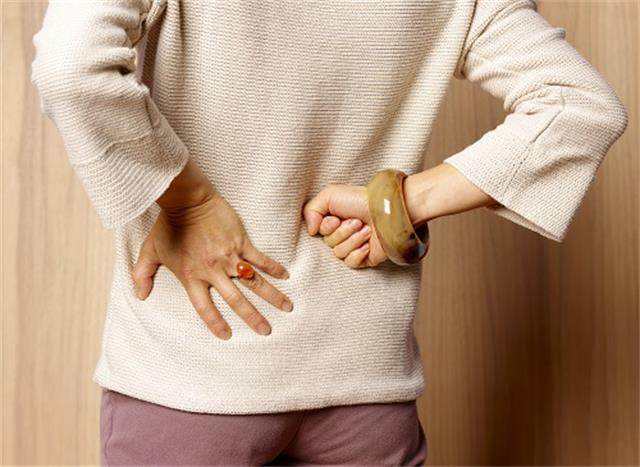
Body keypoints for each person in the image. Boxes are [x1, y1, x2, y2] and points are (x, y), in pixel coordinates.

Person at [30, 0, 627, 465]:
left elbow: (70, 65)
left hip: (193, 379)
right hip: (367, 392)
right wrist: (402, 205)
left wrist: (189, 203)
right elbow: (579, 106)